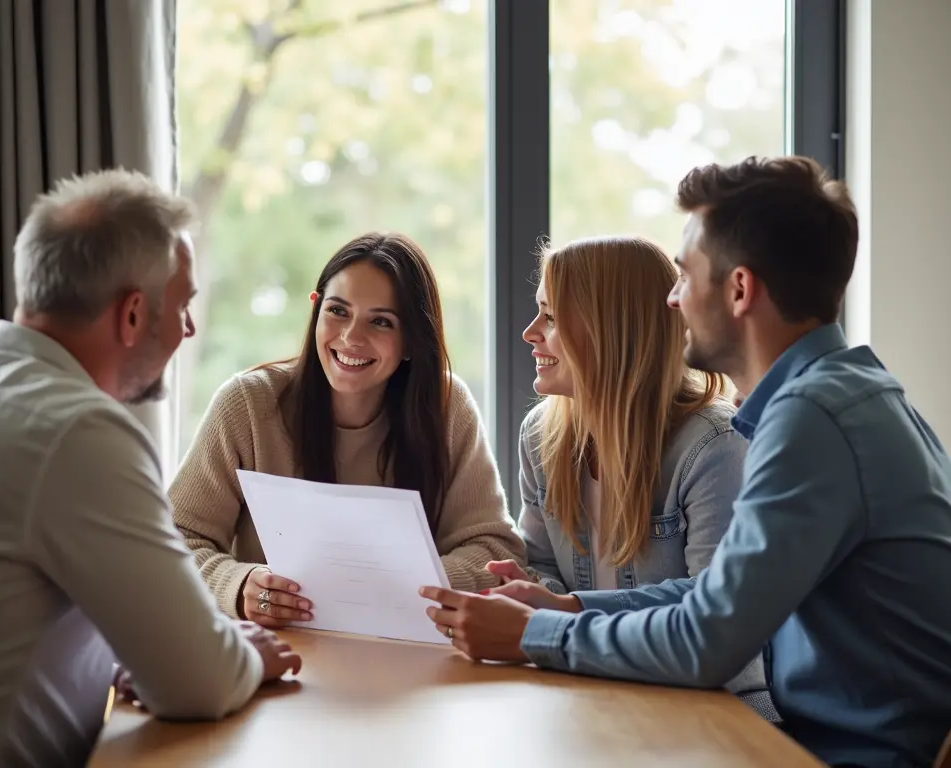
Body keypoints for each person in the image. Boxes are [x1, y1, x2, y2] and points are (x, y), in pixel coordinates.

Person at [421, 155, 951, 768]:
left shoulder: (810, 420)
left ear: (739, 290)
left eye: (683, 275)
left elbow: (707, 644)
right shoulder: (835, 396)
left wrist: (529, 635)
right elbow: (713, 601)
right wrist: (569, 607)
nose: (670, 300)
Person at [0, 170, 301, 768]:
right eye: (182, 306)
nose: (189, 328)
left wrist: (131, 652)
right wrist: (247, 655)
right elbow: (199, 684)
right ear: (132, 315)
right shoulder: (76, 432)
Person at [170, 231, 525, 627]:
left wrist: (408, 586)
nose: (352, 338)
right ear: (315, 309)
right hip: (278, 648)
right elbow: (174, 538)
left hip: (410, 657)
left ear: (411, 341)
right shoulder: (247, 404)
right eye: (338, 311)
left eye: (380, 322)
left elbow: (495, 550)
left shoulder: (446, 406)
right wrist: (236, 585)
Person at [482, 235, 771, 714]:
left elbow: (710, 605)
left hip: (716, 706)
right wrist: (533, 593)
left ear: (609, 330)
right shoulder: (541, 434)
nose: (530, 332)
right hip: (595, 689)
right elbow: (547, 570)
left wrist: (566, 610)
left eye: (551, 318)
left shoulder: (715, 444)